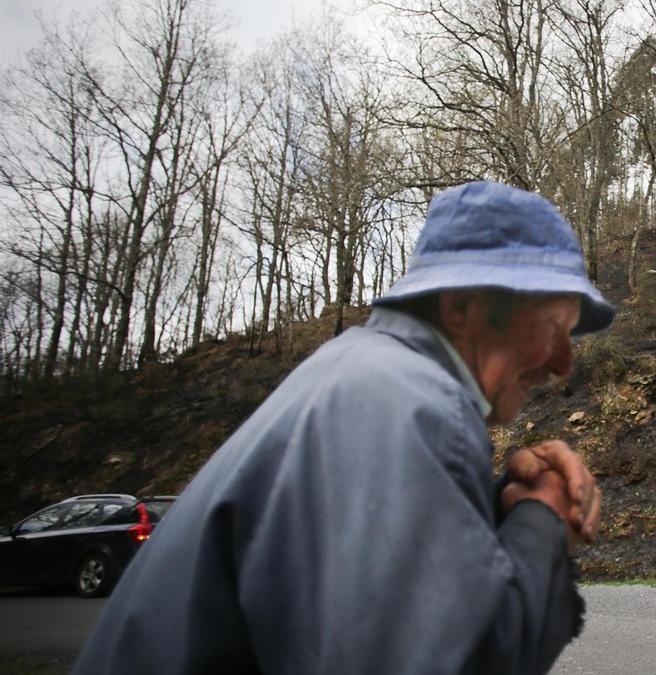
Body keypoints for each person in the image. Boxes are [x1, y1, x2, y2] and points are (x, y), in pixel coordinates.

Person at [72, 181, 616, 674]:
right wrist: (542, 518)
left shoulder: (363, 377)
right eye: (554, 327)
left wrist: (504, 508)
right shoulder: (407, 403)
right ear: (462, 307)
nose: (564, 364)